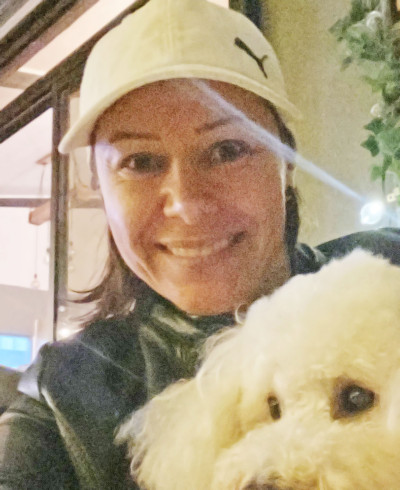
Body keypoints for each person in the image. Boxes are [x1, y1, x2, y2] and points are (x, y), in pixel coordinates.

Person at [1, 0, 399, 488]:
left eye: (227, 150)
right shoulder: (58, 399)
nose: (187, 204)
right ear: (100, 189)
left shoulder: (390, 267)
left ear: (286, 163)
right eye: (140, 161)